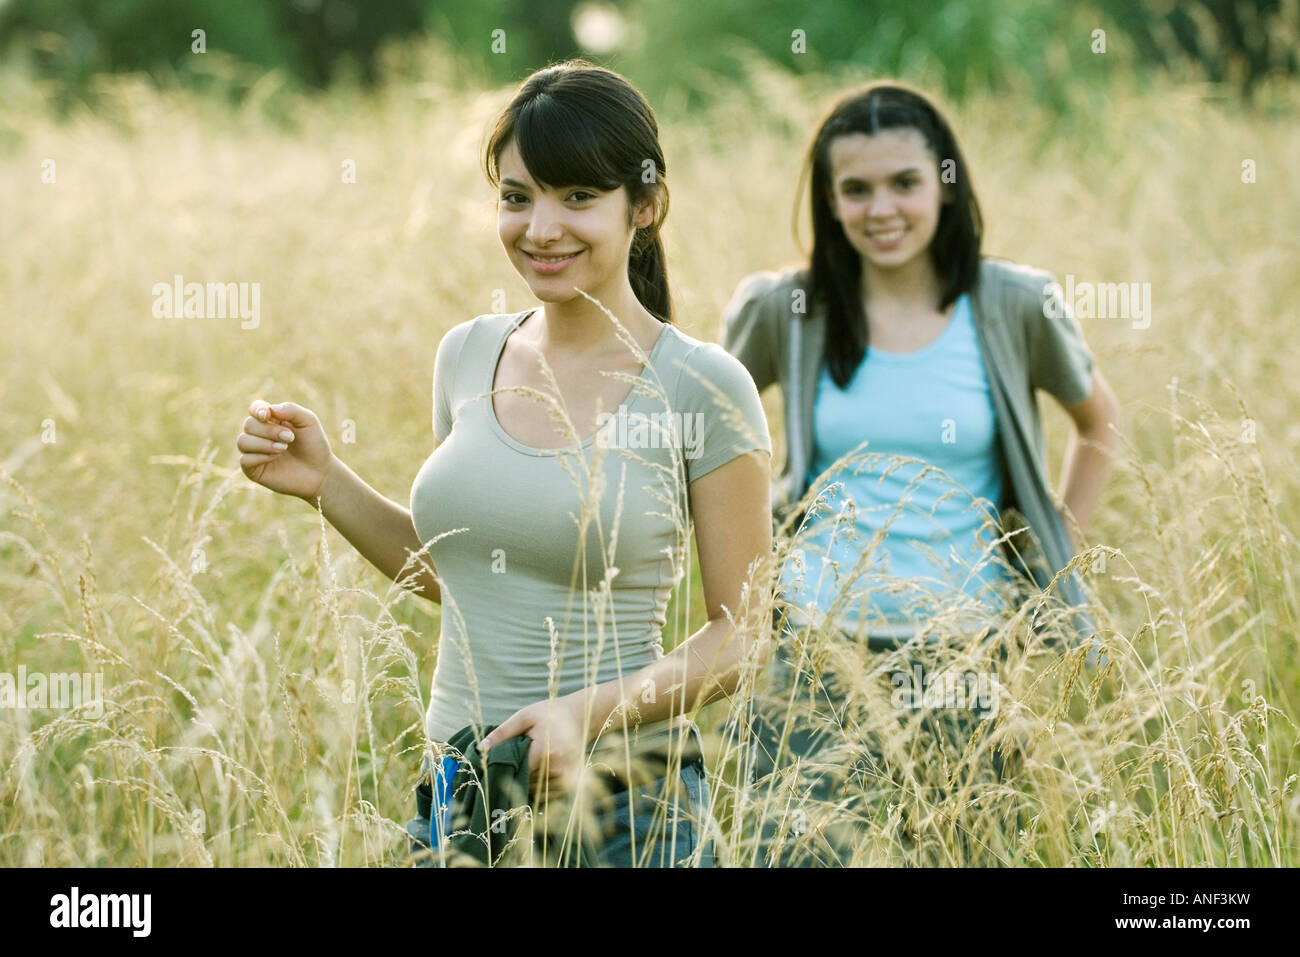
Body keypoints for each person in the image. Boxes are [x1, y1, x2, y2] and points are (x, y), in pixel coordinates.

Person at [237, 60, 774, 867]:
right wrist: (327, 483)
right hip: (461, 793)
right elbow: (463, 572)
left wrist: (579, 716)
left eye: (578, 198)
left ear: (647, 205)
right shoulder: (467, 353)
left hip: (625, 804)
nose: (541, 228)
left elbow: (744, 635)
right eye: (518, 196)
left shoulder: (700, 384)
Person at [722, 80, 1122, 865]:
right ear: (830, 202)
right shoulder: (789, 308)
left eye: (905, 182)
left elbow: (1098, 421)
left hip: (966, 650)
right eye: (856, 189)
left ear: (946, 182)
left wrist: (1051, 556)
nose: (883, 209)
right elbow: (706, 424)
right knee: (797, 853)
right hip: (815, 650)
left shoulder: (1012, 303)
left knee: (960, 851)